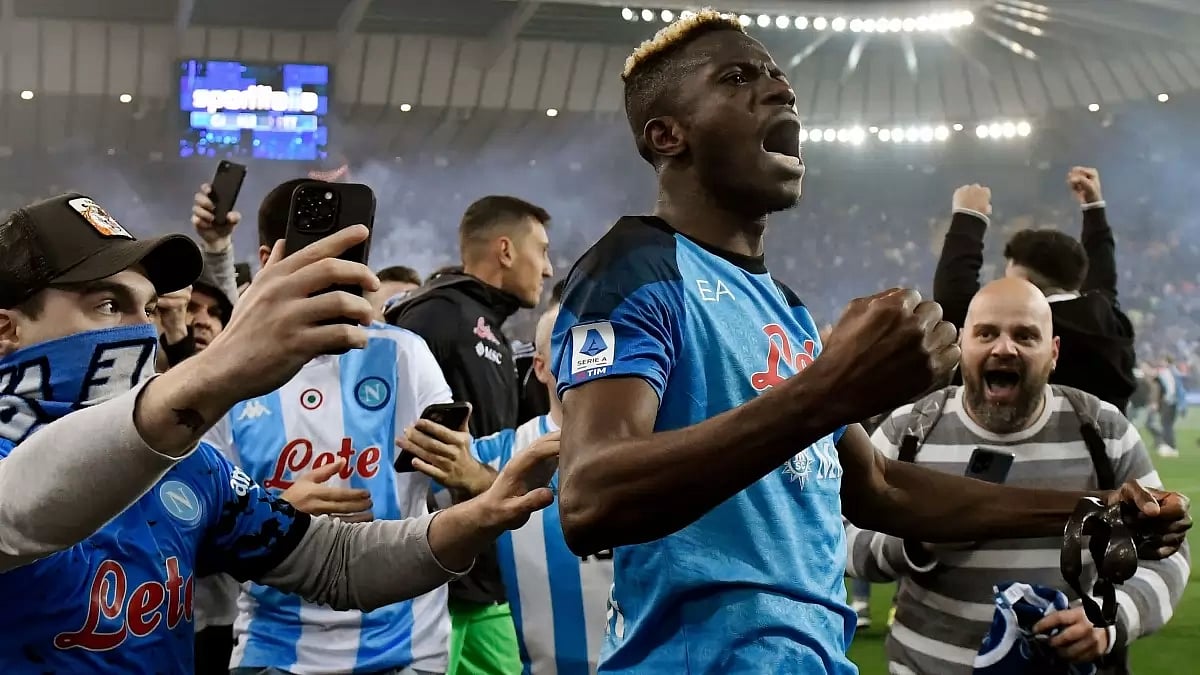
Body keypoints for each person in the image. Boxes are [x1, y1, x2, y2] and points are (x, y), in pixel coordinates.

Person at [548, 12, 1190, 675]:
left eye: (776, 74)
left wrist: (1088, 508)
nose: (778, 89)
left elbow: (880, 486)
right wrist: (829, 390)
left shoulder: (786, 307)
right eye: (737, 77)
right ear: (667, 134)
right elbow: (592, 496)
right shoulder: (633, 265)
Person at [0, 193, 557, 672]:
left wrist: (472, 520)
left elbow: (337, 563)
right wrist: (211, 374)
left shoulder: (191, 465)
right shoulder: (173, 431)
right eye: (107, 304)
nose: (140, 330)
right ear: (6, 328)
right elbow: (18, 514)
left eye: (145, 307)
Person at [845, 278, 1189, 675]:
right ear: (963, 345)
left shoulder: (1103, 430)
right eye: (986, 333)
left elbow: (1168, 554)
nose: (1004, 347)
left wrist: (1113, 618)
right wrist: (915, 541)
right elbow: (843, 541)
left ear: (1053, 352)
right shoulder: (909, 430)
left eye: (1025, 336)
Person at [208, 179, 455, 675]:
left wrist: (467, 477)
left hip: (405, 651)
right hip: (272, 652)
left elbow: (448, 498)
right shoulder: (224, 373)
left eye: (352, 253)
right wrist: (272, 517)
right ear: (267, 258)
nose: (340, 269)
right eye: (321, 253)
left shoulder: (406, 355)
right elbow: (197, 530)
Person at [387, 195, 554, 674]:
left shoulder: (490, 331)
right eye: (540, 250)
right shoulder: (432, 319)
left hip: (480, 577)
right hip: (437, 579)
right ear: (505, 250)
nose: (546, 269)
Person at [402, 301, 613, 674]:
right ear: (541, 367)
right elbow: (405, 513)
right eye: (572, 343)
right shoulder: (497, 455)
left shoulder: (653, 445)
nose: (589, 356)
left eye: (600, 342)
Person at [933, 172, 1136, 412]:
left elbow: (954, 298)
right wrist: (1094, 208)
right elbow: (1103, 276)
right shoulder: (1110, 325)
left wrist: (968, 218)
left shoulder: (1038, 329)